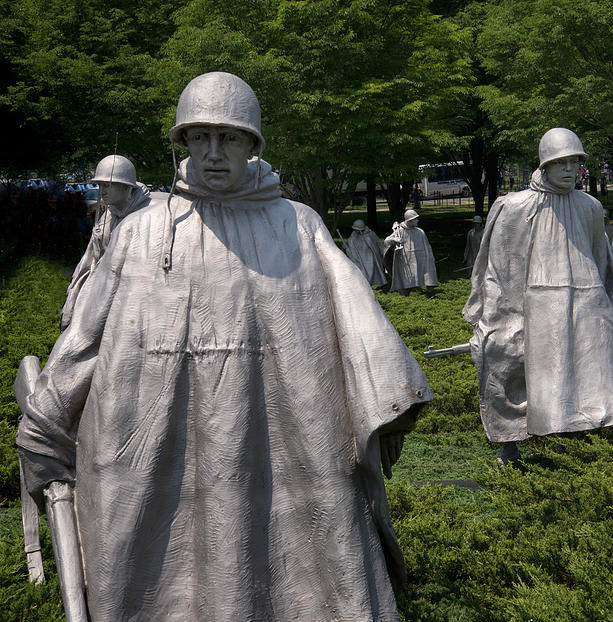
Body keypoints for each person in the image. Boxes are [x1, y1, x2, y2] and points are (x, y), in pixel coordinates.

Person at [16, 71, 432, 621]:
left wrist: (387, 409)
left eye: (230, 138)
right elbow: (85, 340)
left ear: (252, 145)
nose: (214, 152)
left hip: (286, 451)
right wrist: (47, 417)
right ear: (182, 143)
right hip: (155, 451)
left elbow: (366, 339)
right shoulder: (141, 233)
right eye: (200, 137)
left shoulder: (297, 226)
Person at [463, 128, 613, 466]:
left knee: (585, 369)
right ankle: (509, 446)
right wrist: (497, 315)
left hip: (584, 305)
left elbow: (602, 262)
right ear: (544, 166)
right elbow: (499, 267)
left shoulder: (589, 207)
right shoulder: (514, 207)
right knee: (510, 363)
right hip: (526, 306)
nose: (570, 170)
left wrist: (608, 308)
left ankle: (578, 438)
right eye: (562, 163)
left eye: (575, 163)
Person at [58, 155, 151, 331]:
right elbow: (90, 259)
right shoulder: (108, 215)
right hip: (100, 291)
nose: (102, 191)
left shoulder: (147, 216)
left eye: (107, 185)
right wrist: (74, 295)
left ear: (126, 187)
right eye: (100, 185)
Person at [383, 208, 439, 295]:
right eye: (415, 219)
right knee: (406, 277)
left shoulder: (420, 232)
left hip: (419, 258)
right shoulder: (399, 231)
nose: (417, 220)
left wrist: (428, 259)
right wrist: (394, 239)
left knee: (424, 273)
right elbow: (386, 241)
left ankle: (429, 291)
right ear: (410, 220)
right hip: (404, 259)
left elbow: (427, 248)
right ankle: (404, 293)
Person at [345, 218, 388, 287]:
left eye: (357, 229)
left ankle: (376, 284)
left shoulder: (370, 234)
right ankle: (365, 284)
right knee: (363, 272)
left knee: (373, 271)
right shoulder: (353, 235)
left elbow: (378, 243)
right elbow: (351, 244)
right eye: (355, 229)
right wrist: (347, 249)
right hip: (360, 257)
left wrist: (383, 251)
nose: (355, 231)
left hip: (370, 256)